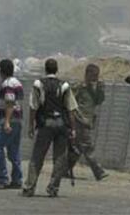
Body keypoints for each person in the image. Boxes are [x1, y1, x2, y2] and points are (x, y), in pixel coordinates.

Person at [46, 64, 108, 195]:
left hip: (87, 121)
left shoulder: (93, 89)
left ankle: (63, 171)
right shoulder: (80, 87)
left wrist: (100, 90)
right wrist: (74, 118)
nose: (95, 78)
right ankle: (99, 171)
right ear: (87, 74)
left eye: (97, 76)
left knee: (77, 151)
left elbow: (98, 101)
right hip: (79, 122)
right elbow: (70, 102)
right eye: (93, 75)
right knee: (88, 147)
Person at [22, 58, 77, 198]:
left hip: (46, 123)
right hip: (61, 124)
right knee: (59, 157)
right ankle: (53, 188)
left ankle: (29, 187)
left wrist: (31, 125)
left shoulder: (38, 84)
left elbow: (33, 106)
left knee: (37, 156)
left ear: (45, 69)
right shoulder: (64, 85)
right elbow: (71, 109)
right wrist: (73, 128)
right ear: (56, 70)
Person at [0, 59, 24, 189]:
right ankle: (17, 179)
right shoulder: (17, 83)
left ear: (1, 71)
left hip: (9, 119)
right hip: (18, 120)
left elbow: (9, 103)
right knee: (13, 150)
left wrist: (7, 122)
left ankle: (3, 178)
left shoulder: (8, 84)